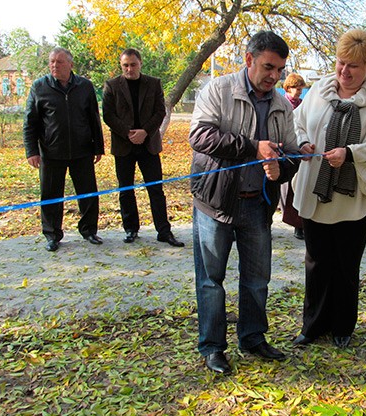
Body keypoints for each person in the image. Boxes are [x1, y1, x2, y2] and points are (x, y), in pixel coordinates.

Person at [189, 30, 300, 375]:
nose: (274, 76)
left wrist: (283, 164)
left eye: (280, 69)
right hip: (215, 203)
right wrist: (254, 147)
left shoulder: (282, 104)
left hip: (257, 207)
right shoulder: (218, 90)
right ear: (249, 59)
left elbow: (291, 154)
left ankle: (252, 338)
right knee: (211, 280)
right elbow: (200, 136)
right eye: (268, 66)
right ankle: (212, 347)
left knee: (257, 279)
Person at [291, 29, 366, 349]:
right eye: (340, 63)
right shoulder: (319, 91)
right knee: (316, 260)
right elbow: (297, 122)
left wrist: (350, 154)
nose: (344, 71)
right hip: (316, 188)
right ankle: (313, 325)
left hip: (354, 195)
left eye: (354, 66)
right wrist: (303, 143)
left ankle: (342, 325)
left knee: (345, 264)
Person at [23, 47, 105, 252]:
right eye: (51, 61)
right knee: (51, 195)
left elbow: (94, 118)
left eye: (59, 62)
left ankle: (89, 231)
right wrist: (31, 151)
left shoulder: (84, 86)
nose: (54, 65)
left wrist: (98, 147)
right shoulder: (39, 87)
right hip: (52, 152)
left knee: (88, 193)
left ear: (70, 64)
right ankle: (52, 235)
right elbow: (30, 122)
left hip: (82, 151)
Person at [102, 49, 184, 247]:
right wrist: (129, 133)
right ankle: (131, 229)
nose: (129, 69)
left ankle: (163, 231)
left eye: (133, 64)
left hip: (148, 145)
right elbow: (108, 115)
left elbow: (159, 111)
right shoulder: (112, 86)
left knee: (156, 189)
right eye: (125, 65)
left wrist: (145, 132)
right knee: (126, 190)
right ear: (121, 66)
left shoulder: (153, 83)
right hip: (124, 145)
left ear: (140, 63)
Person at [280, 73, 306, 239]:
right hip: (282, 152)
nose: (298, 92)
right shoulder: (281, 104)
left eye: (301, 89)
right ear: (288, 88)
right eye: (296, 88)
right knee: (284, 189)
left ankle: (299, 225)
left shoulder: (303, 105)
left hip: (299, 151)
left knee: (298, 188)